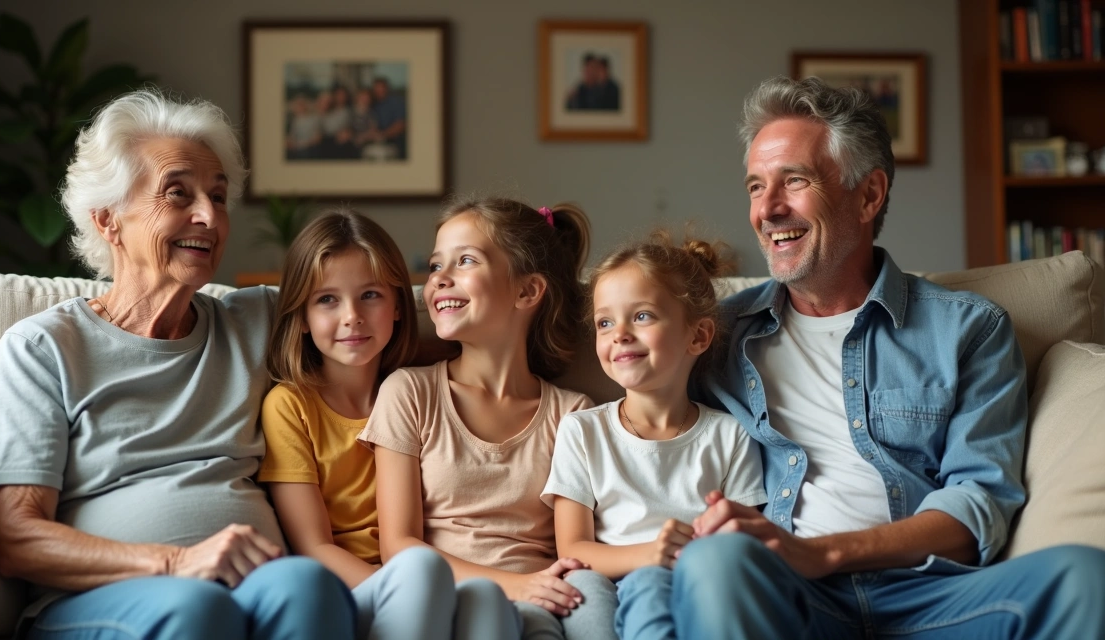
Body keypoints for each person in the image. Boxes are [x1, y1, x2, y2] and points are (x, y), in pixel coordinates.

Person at [643, 76, 1105, 638]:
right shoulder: (714, 335)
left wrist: (826, 553)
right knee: (714, 562)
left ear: (869, 195)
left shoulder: (968, 330)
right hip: (789, 599)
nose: (768, 209)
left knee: (1083, 575)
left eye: (794, 181)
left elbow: (978, 502)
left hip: (932, 596)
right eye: (755, 187)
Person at [0, 89, 355, 639]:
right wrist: (175, 562)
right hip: (100, 603)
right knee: (198, 609)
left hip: (251, 585)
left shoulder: (257, 322)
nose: (209, 216)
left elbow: (384, 319)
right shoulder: (43, 349)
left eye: (218, 197)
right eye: (179, 194)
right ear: (108, 221)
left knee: (309, 587)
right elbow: (16, 537)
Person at [358, 198, 618, 640]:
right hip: (444, 600)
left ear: (527, 291)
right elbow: (398, 546)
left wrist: (537, 590)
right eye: (437, 264)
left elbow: (574, 546)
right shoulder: (410, 392)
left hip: (540, 601)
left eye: (464, 261)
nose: (439, 278)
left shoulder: (572, 414)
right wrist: (516, 585)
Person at [260, 209, 516, 640]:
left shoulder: (419, 390)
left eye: (370, 295)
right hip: (354, 592)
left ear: (399, 305)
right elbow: (314, 547)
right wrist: (408, 586)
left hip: (431, 580)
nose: (352, 316)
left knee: (487, 597)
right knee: (419, 567)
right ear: (301, 317)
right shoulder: (290, 406)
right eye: (327, 300)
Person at [542, 231, 768, 640]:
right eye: (605, 322)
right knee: (612, 587)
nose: (620, 334)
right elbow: (573, 550)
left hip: (692, 584)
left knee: (665, 589)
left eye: (642, 316)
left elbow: (741, 544)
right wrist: (651, 555)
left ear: (697, 336)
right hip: (609, 583)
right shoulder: (582, 430)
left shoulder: (730, 435)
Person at [370, 77, 407, 159]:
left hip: (395, 142)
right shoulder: (373, 103)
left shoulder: (396, 101)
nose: (379, 90)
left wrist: (383, 135)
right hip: (376, 141)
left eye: (381, 87)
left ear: (386, 88)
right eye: (376, 88)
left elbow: (400, 125)